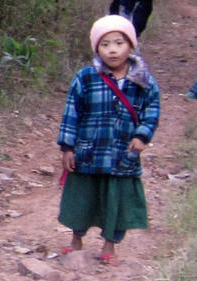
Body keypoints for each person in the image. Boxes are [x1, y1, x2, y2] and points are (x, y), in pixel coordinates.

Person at [57, 15, 160, 266]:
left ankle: (109, 245)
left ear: (131, 46)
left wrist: (142, 135)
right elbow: (72, 112)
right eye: (105, 44)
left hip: (122, 154)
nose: (112, 50)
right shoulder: (86, 77)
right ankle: (76, 240)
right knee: (82, 197)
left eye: (119, 43)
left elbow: (152, 110)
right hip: (88, 152)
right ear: (96, 48)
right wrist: (67, 147)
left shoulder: (143, 80)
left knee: (116, 198)